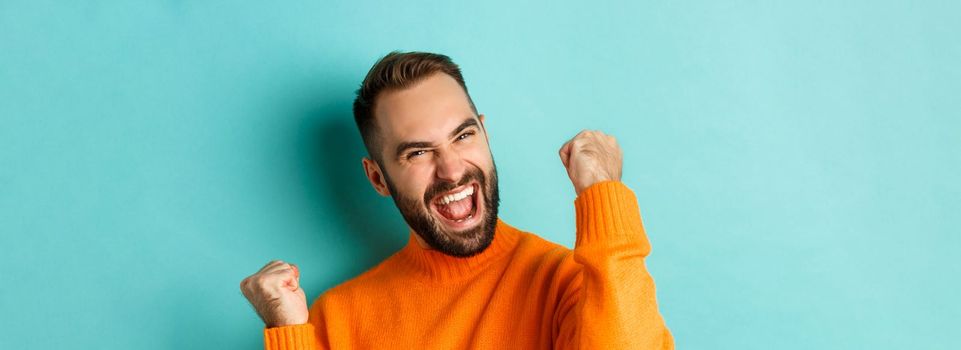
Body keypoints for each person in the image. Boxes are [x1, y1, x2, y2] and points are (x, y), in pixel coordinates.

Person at [240, 51, 674, 349]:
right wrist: (289, 332)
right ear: (378, 178)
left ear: (484, 133)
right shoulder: (338, 319)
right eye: (418, 152)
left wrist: (602, 195)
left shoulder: (568, 284)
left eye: (463, 136)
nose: (452, 170)